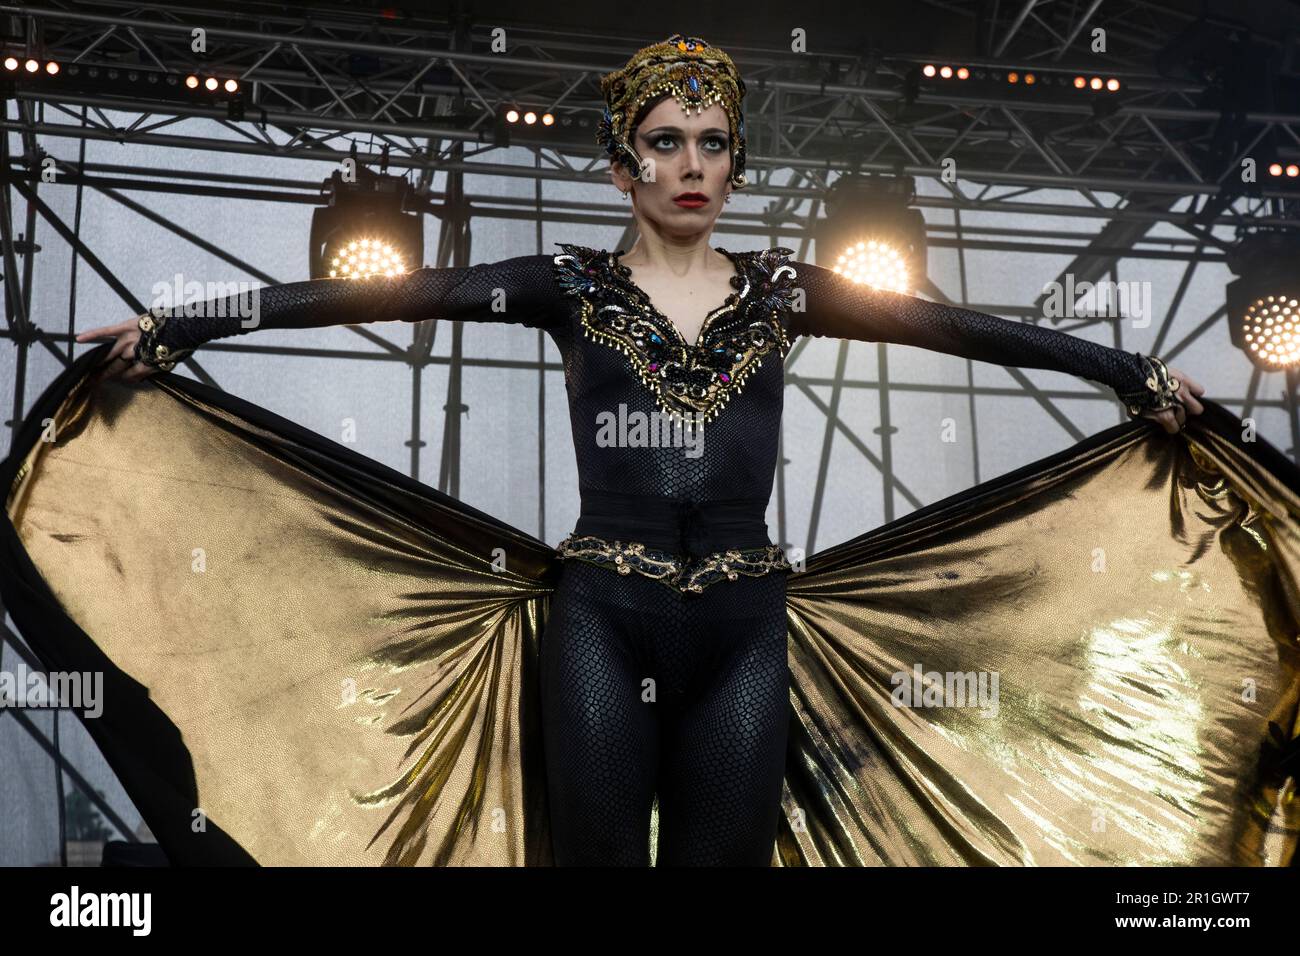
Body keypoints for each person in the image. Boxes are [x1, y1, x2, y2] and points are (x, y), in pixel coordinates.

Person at [33, 35, 1272, 870]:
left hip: (744, 615)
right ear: (623, 162)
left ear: (736, 159)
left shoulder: (785, 288)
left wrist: (1137, 374)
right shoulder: (562, 283)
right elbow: (384, 294)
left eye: (714, 143)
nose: (694, 166)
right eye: (668, 143)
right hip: (602, 611)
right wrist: (182, 321)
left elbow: (964, 328)